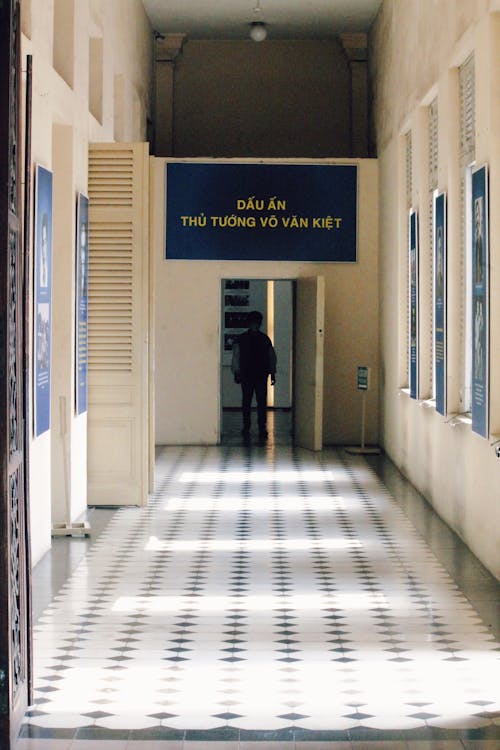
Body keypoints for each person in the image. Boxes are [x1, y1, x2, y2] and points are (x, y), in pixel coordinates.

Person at [231, 310, 276, 440]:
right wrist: (272, 373)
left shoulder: (242, 339)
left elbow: (236, 357)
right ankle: (261, 427)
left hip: (248, 374)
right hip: (260, 374)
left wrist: (237, 372)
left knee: (247, 402)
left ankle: (247, 427)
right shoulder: (265, 339)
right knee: (261, 402)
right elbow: (271, 357)